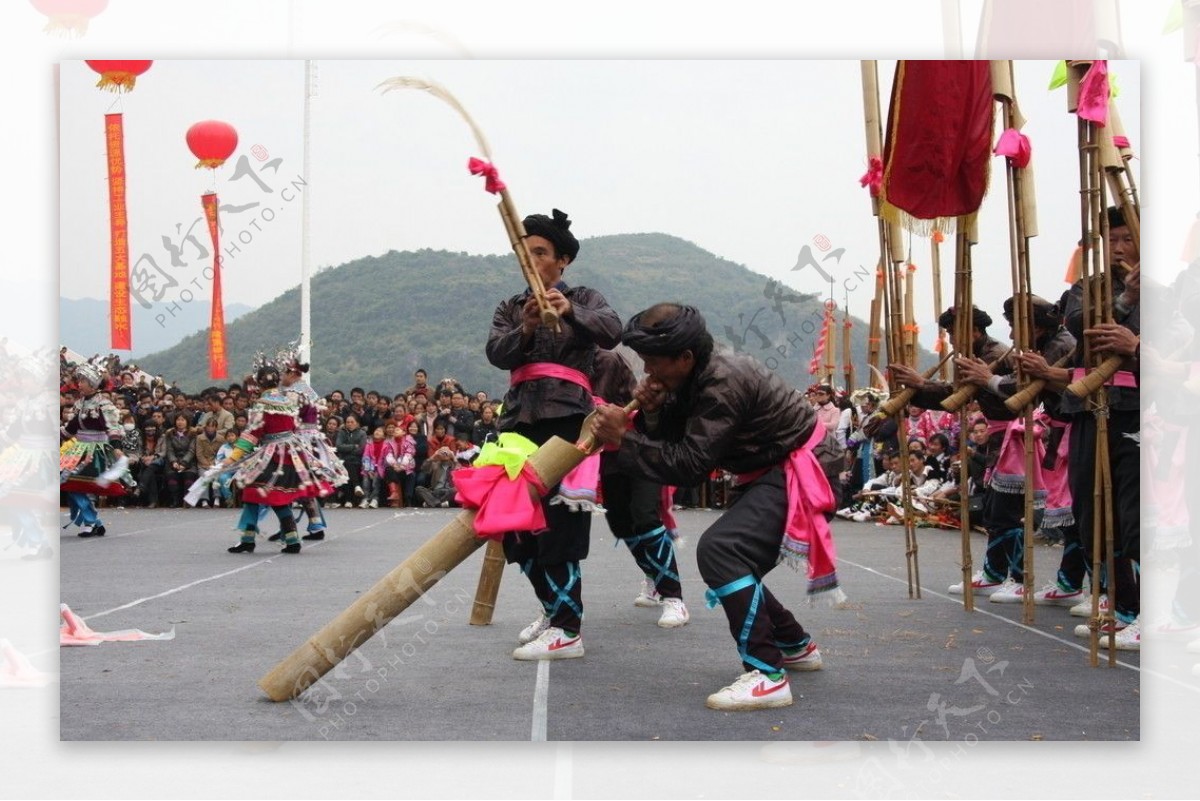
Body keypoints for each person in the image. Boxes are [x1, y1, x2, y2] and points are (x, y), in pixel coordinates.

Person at [590, 304, 839, 711]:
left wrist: (625, 440)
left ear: (685, 358)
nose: (648, 373)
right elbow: (674, 436)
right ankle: (794, 644)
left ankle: (767, 673)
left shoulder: (723, 379)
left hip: (803, 468)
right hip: (765, 471)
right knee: (736, 559)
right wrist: (652, 412)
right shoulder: (692, 375)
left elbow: (689, 464)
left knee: (723, 551)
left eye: (653, 363)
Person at [485, 207, 622, 661]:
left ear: (562, 260)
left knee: (558, 527)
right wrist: (526, 325)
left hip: (568, 422)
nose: (532, 260)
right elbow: (496, 354)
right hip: (517, 423)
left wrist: (574, 311)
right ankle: (552, 609)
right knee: (513, 528)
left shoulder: (584, 295)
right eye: (525, 253)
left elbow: (612, 331)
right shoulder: (510, 306)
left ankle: (568, 628)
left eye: (541, 253)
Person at [1018, 206, 1141, 648]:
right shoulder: (1088, 287)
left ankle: (1148, 610)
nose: (1120, 248)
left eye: (1129, 238)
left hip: (1141, 411)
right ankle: (1119, 604)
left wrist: (1138, 343)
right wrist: (1125, 300)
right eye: (1114, 239)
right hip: (1091, 408)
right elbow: (1079, 328)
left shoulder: (1171, 286)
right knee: (1092, 515)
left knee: (1134, 518)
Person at [592, 346, 689, 628]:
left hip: (639, 444)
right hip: (608, 453)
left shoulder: (604, 360)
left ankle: (674, 598)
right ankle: (654, 578)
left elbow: (598, 404)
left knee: (645, 516)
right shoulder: (567, 361)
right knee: (620, 523)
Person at [221, 357, 336, 555]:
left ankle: (255, 539)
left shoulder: (261, 404)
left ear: (259, 383)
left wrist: (232, 457)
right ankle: (287, 538)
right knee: (274, 494)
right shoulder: (287, 401)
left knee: (257, 493)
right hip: (293, 452)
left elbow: (252, 435)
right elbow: (293, 427)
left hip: (273, 454)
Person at [59, 361, 127, 537]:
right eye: (79, 380)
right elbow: (71, 428)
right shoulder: (80, 403)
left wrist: (117, 447)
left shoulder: (104, 404)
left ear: (93, 383)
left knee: (78, 484)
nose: (79, 384)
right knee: (70, 483)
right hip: (78, 448)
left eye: (82, 381)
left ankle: (91, 522)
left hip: (95, 451)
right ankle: (94, 522)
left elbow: (113, 427)